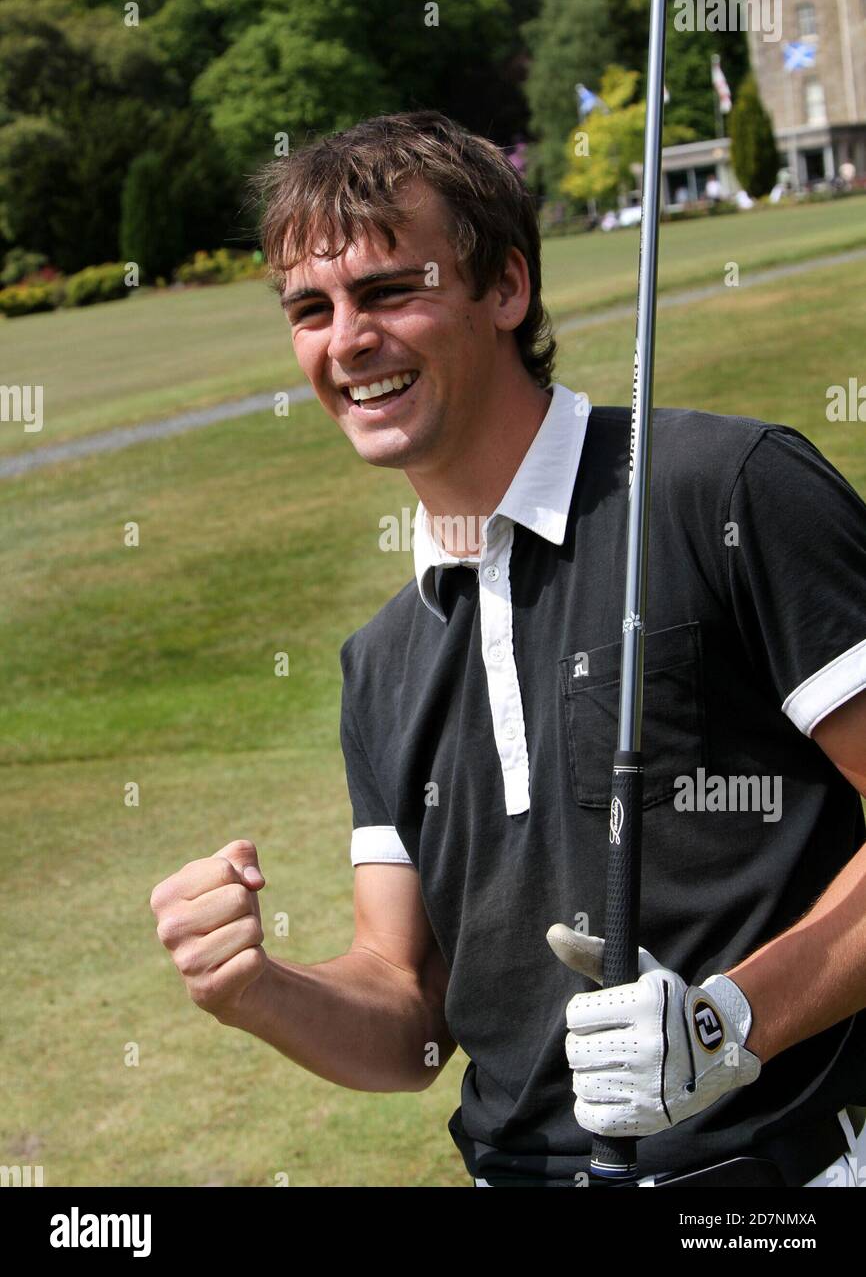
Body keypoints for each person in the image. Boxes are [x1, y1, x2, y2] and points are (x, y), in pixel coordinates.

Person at [150, 111, 866, 1188]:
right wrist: (255, 987)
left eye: (390, 290)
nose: (345, 340)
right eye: (311, 308)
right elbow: (406, 1015)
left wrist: (727, 1025)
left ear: (504, 290)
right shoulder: (380, 662)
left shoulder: (719, 490)